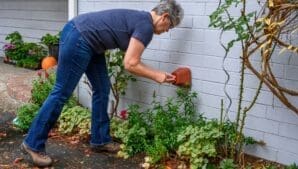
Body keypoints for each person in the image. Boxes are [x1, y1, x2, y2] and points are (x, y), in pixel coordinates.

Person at [20, 0, 183, 167]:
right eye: (169, 26)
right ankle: (33, 144)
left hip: (89, 42)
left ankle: (100, 140)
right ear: (164, 17)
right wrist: (157, 76)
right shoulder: (146, 26)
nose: (166, 31)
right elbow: (130, 63)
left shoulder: (141, 20)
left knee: (102, 89)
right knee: (61, 92)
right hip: (80, 37)